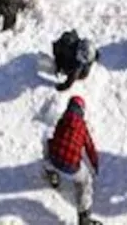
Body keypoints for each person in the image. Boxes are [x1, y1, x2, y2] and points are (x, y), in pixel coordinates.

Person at [43, 96, 99, 225]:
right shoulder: (83, 127)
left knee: (47, 141)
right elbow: (89, 147)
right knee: (84, 182)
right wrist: (95, 164)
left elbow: (56, 137)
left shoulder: (61, 120)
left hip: (53, 160)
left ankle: (52, 176)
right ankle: (84, 217)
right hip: (71, 166)